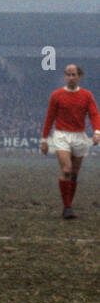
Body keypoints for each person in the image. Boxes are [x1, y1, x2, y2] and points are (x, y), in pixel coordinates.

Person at [40, 64, 100, 219]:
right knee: (66, 170)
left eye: (74, 75)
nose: (71, 78)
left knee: (74, 174)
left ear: (79, 76)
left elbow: (94, 114)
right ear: (64, 76)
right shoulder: (57, 95)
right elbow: (50, 117)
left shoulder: (86, 96)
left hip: (79, 136)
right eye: (68, 74)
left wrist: (97, 132)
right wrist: (44, 139)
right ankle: (67, 207)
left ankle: (69, 205)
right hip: (61, 136)